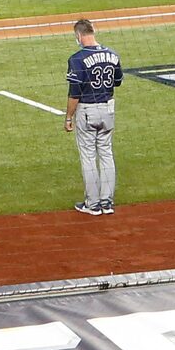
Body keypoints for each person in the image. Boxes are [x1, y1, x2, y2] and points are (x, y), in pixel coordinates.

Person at [62, 18, 122, 215]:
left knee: (88, 157)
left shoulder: (77, 59)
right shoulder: (113, 54)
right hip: (108, 109)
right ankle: (107, 202)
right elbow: (118, 81)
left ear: (79, 35)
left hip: (87, 111)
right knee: (106, 154)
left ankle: (93, 204)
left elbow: (74, 93)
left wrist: (68, 117)